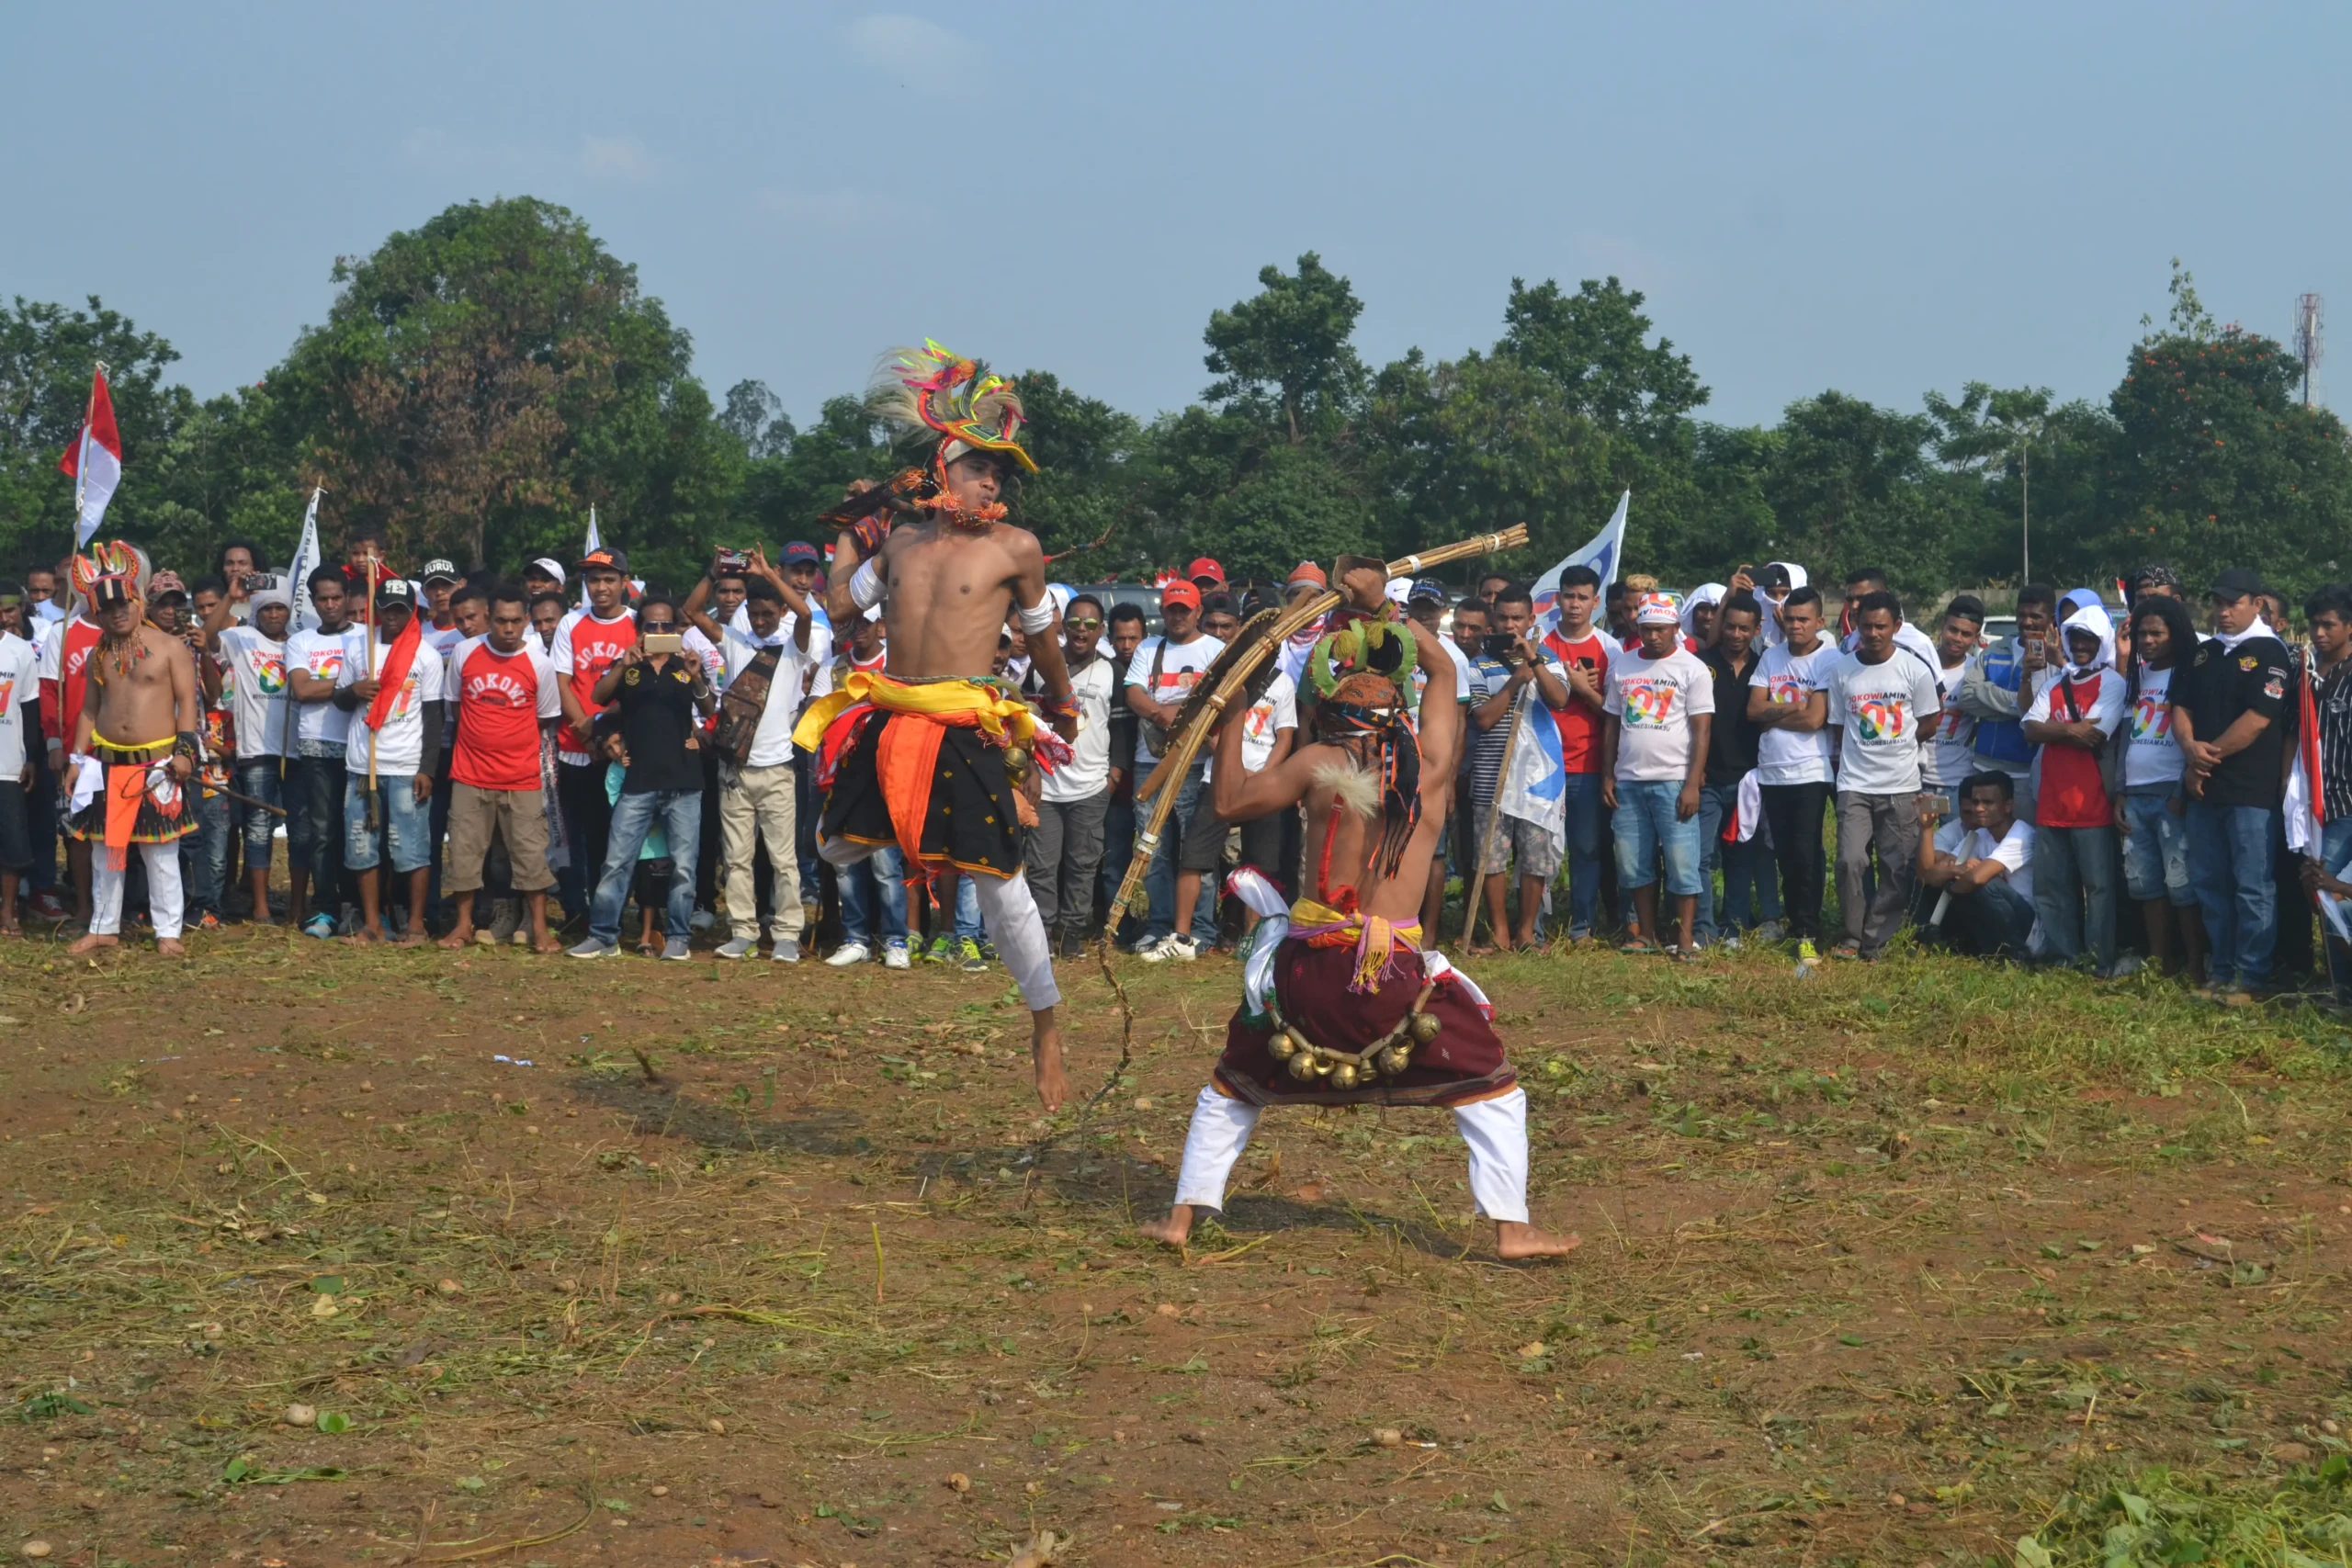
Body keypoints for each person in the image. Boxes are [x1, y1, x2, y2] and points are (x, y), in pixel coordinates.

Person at [1137, 565, 1577, 1260]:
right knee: (1492, 1089)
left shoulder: (1315, 760)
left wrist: (1228, 717)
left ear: (1332, 707)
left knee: (1231, 1086)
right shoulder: (1429, 761)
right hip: (1390, 979)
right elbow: (1444, 678)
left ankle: (1182, 1220)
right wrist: (1387, 612)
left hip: (1306, 976)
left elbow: (1226, 805)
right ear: (1397, 708)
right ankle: (1512, 1228)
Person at [802, 344, 1079, 1109]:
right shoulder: (897, 545)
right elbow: (840, 608)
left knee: (998, 886)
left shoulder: (1015, 549)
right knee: (832, 843)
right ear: (942, 471)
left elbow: (1044, 636)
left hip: (963, 722)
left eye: (1003, 471)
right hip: (893, 716)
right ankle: (916, 833)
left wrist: (1064, 702)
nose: (994, 480)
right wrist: (853, 535)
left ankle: (1046, 1027)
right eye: (981, 465)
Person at [564, 594, 715, 959]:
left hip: (683, 782)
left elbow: (709, 709)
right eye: (652, 626)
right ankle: (604, 936)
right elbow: (599, 698)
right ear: (639, 630)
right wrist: (622, 664)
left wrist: (697, 679)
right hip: (638, 781)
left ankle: (678, 938)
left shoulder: (686, 665)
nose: (660, 631)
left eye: (667, 625)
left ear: (677, 629)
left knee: (682, 866)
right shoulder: (628, 668)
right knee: (616, 862)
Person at [63, 557, 200, 956]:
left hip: (157, 765)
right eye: (107, 609)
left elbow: (187, 703)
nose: (117, 614)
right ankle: (103, 928)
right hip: (106, 764)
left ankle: (168, 932)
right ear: (98, 614)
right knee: (107, 850)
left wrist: (186, 752)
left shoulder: (171, 647)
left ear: (138, 603)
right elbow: (89, 710)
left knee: (160, 853)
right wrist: (76, 759)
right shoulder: (98, 654)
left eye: (123, 605)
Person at [684, 548, 816, 962]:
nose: (760, 621)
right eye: (754, 614)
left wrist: (769, 575)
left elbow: (807, 616)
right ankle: (742, 930)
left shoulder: (794, 648)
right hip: (735, 772)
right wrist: (714, 570)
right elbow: (691, 611)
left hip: (778, 771)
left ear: (780, 611)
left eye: (767, 614)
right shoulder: (735, 643)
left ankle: (787, 934)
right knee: (737, 858)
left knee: (783, 860)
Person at [2173, 570, 2291, 1004]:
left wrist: (2206, 757)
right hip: (2204, 789)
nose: (2223, 611)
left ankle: (2251, 976)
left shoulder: (2272, 653)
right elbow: (2180, 707)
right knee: (2209, 883)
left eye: (2233, 603)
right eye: (2217, 603)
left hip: (2249, 791)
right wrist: (2189, 748)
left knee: (2252, 885)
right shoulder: (2204, 654)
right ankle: (2221, 970)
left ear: (2256, 604)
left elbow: (2258, 720)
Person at [435, 583, 565, 953]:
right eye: (500, 621)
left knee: (530, 855)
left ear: (527, 621)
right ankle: (463, 926)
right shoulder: (464, 652)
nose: (508, 630)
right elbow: (456, 708)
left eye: (515, 622)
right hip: (469, 774)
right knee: (464, 852)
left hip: (521, 776)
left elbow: (543, 719)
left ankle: (539, 929)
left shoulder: (540, 664)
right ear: (488, 620)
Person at [1824, 592, 1940, 961]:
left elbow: (1930, 720)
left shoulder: (1914, 669)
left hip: (1902, 785)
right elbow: (1840, 728)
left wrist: (1901, 745)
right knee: (1849, 861)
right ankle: (1851, 936)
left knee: (1897, 868)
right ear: (1855, 626)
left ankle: (1876, 939)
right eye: (1865, 626)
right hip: (1855, 785)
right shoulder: (1842, 670)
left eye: (1880, 626)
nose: (1872, 633)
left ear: (1897, 627)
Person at [1600, 592, 1714, 954]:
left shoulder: (1692, 668)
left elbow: (1702, 730)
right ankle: (1646, 935)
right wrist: (1608, 774)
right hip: (1629, 781)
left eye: (1660, 630)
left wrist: (1693, 782)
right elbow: (1612, 723)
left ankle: (1684, 941)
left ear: (1675, 629)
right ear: (1638, 627)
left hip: (1673, 781)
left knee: (1683, 863)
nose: (1653, 637)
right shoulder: (1623, 665)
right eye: (1646, 629)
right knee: (1633, 862)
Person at [334, 578, 446, 945]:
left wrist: (427, 768)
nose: (393, 616)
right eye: (386, 608)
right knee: (362, 848)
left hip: (405, 767)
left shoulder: (425, 655)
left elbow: (434, 717)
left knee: (410, 849)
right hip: (363, 765)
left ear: (412, 610)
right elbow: (339, 700)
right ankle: (372, 925)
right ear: (376, 610)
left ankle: (415, 925)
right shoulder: (359, 649)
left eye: (400, 609)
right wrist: (354, 691)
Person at [1125, 578, 1227, 961]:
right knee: (1152, 850)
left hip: (1197, 766)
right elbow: (1133, 691)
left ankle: (1200, 929)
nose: (1178, 615)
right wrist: (1161, 713)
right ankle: (1159, 925)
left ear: (1198, 611)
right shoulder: (1149, 648)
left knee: (1196, 853)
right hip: (1150, 763)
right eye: (1172, 609)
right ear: (1163, 612)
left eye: (1185, 609)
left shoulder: (1216, 650)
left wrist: (1180, 718)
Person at [2021, 604, 2126, 975]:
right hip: (2052, 799)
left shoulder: (2113, 682)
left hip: (2092, 801)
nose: (2081, 645)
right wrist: (2071, 730)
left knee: (2098, 887)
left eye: (2089, 639)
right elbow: (2030, 729)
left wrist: (2055, 729)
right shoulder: (2054, 683)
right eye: (2075, 638)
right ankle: (2064, 956)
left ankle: (2098, 959)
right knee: (2052, 886)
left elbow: (2096, 734)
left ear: (2102, 642)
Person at [1474, 584, 1572, 950]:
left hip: (1537, 779)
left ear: (1531, 620)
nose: (1511, 625)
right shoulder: (1479, 664)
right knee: (1492, 859)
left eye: (1518, 618)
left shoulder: (1550, 658)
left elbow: (1560, 699)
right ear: (1493, 621)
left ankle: (1526, 931)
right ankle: (1499, 932)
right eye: (1503, 618)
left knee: (1535, 858)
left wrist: (1533, 662)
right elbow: (1482, 719)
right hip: (1492, 775)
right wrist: (1515, 680)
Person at [1747, 584, 1837, 961]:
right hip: (1772, 771)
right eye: (1790, 619)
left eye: (1803, 619)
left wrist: (1775, 710)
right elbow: (1753, 712)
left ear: (1819, 621)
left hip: (1810, 771)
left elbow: (1816, 719)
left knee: (1806, 852)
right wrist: (1795, 704)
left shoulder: (1829, 660)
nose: (1795, 626)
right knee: (1784, 853)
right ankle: (1794, 919)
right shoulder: (1771, 657)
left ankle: (1808, 931)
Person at [2119, 593, 2206, 982]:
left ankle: (2195, 962)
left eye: (2157, 633)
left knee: (2181, 884)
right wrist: (2119, 791)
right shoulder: (2137, 676)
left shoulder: (2189, 676)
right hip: (2135, 797)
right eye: (2142, 634)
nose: (2148, 640)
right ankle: (2159, 961)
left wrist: (2181, 792)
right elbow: (2125, 737)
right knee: (2145, 884)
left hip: (2172, 796)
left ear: (2177, 633)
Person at [203, 575, 299, 925]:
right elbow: (208, 637)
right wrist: (230, 597)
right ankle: (259, 908)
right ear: (257, 611)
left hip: (296, 752)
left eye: (280, 608)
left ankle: (298, 906)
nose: (274, 614)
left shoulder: (300, 644)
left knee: (299, 830)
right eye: (267, 608)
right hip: (256, 751)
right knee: (257, 829)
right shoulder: (242, 639)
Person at [1027, 592, 1116, 958]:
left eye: (1091, 624)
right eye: (1076, 623)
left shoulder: (1113, 671)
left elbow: (1123, 730)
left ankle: (1070, 936)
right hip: (1046, 787)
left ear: (1102, 630)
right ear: (1062, 626)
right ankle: (1042, 935)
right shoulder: (1041, 667)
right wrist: (1031, 770)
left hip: (1091, 787)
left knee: (1083, 865)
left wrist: (1114, 777)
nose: (1082, 630)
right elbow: (1026, 724)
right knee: (1041, 866)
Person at [551, 547, 638, 921]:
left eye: (608, 579)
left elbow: (639, 687)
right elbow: (562, 682)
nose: (600, 587)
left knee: (617, 836)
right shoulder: (571, 623)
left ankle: (613, 911)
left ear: (624, 583)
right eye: (592, 580)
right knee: (577, 836)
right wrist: (589, 732)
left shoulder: (637, 623)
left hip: (623, 748)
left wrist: (608, 732)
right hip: (577, 746)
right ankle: (577, 911)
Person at [1533, 566, 1612, 942]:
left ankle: (1582, 923)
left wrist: (1583, 689)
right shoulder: (1542, 643)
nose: (1575, 604)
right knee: (1539, 850)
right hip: (1543, 764)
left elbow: (1615, 714)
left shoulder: (1608, 648)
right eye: (1569, 596)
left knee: (1586, 848)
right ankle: (1532, 924)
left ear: (1596, 602)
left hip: (1588, 764)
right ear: (1558, 598)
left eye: (1583, 597)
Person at [1695, 592, 1779, 947]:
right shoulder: (1700, 664)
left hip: (1749, 779)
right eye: (1729, 626)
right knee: (1698, 856)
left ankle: (1734, 927)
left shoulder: (1766, 667)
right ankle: (1702, 928)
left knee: (1741, 857)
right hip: (1705, 778)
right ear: (1720, 625)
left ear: (1757, 629)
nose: (1736, 634)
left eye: (1745, 628)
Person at [285, 566, 358, 938]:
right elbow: (302, 690)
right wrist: (351, 683)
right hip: (316, 746)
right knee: (324, 831)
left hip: (361, 747)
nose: (330, 605)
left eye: (336, 597)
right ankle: (325, 908)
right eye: (322, 599)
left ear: (348, 597)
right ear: (313, 601)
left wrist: (323, 684)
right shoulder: (301, 642)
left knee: (359, 829)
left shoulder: (365, 636)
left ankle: (360, 906)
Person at [1961, 583, 2059, 823]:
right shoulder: (1994, 650)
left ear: (2051, 619)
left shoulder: (2058, 659)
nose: (2027, 622)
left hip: (2027, 773)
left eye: (2036, 616)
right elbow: (1966, 698)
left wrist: (1988, 695)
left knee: (2023, 847)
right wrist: (2020, 707)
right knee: (1983, 846)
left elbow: (2048, 717)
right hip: (1984, 768)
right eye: (2022, 614)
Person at [1917, 772, 2041, 958]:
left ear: (2007, 806)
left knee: (1983, 884)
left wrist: (1955, 878)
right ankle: (1981, 948)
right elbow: (1930, 876)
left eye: (1988, 802)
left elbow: (1976, 878)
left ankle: (2017, 955)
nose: (1979, 808)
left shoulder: (2021, 834)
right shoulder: (1978, 835)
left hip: (2027, 928)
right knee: (1951, 882)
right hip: (1996, 917)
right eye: (1975, 802)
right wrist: (1957, 869)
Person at [2300, 584, 2352, 1001]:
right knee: (2317, 889)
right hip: (2314, 802)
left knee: (2332, 892)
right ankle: (2335, 980)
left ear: (2349, 627)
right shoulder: (2310, 676)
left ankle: (2344, 989)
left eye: (2328, 625)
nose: (2319, 633)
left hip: (2347, 802)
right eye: (2314, 624)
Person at [1096, 602, 1147, 936]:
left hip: (1149, 781)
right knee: (1113, 858)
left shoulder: (1152, 671)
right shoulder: (1104, 674)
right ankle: (1115, 922)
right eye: (1120, 638)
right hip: (1113, 786)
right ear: (1110, 638)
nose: (1127, 646)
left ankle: (1160, 921)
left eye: (1133, 638)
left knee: (1151, 860)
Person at [1922, 596, 1984, 817]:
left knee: (1954, 851)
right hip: (1917, 780)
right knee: (1915, 849)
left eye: (1966, 634)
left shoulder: (1976, 672)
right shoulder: (1919, 667)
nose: (1957, 638)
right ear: (1942, 626)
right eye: (1953, 630)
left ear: (1976, 638)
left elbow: (1980, 719)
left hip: (1958, 783)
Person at [0, 592, 39, 932]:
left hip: (8, 761)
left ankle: (8, 911)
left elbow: (29, 706)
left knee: (11, 843)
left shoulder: (20, 649)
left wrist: (31, 757)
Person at [1838, 568, 1939, 670]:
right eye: (1850, 600)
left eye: (1862, 598)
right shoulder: (1847, 646)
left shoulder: (1918, 644)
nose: (1854, 606)